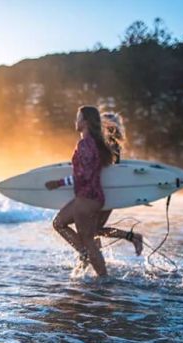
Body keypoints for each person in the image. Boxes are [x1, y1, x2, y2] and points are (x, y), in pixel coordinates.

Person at [45, 106, 113, 277]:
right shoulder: (94, 144)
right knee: (59, 223)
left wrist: (59, 183)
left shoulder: (85, 144)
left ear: (85, 122)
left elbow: (84, 175)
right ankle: (86, 255)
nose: (76, 121)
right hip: (89, 197)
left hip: (87, 198)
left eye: (78, 118)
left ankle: (103, 279)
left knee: (88, 240)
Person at [94, 112, 143, 255]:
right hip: (104, 191)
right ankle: (91, 257)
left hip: (105, 192)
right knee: (92, 229)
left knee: (92, 229)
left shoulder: (110, 145)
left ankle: (133, 237)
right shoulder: (109, 144)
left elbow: (110, 171)